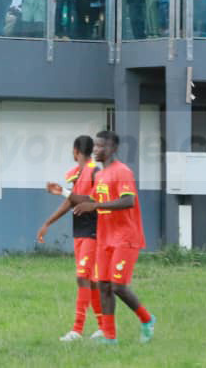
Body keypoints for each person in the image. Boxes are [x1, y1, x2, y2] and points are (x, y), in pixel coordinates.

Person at [70, 131, 155, 344]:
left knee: (118, 286)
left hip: (125, 237)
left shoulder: (122, 172)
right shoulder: (99, 175)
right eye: (96, 146)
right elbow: (93, 199)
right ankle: (109, 336)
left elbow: (128, 201)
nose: (96, 149)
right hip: (105, 237)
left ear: (113, 149)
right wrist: (63, 193)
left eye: (101, 146)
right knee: (103, 286)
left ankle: (147, 319)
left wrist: (95, 205)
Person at [38, 136, 103, 341]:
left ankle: (77, 329)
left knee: (84, 277)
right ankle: (103, 326)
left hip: (93, 231)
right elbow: (71, 201)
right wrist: (48, 222)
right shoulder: (78, 173)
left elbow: (93, 201)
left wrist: (63, 192)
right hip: (80, 232)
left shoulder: (95, 171)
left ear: (76, 151)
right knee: (90, 280)